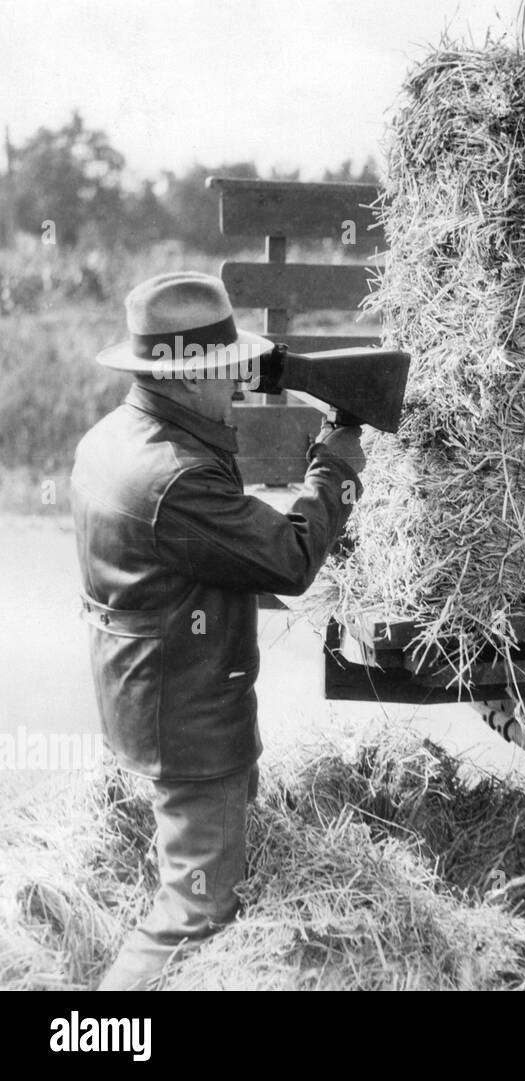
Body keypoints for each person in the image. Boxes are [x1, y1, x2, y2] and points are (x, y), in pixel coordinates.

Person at [71, 272, 367, 990]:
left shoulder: (113, 438)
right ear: (184, 376)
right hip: (188, 727)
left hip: (152, 704)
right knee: (192, 913)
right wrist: (336, 468)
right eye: (221, 370)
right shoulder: (173, 478)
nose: (234, 383)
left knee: (193, 884)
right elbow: (290, 558)